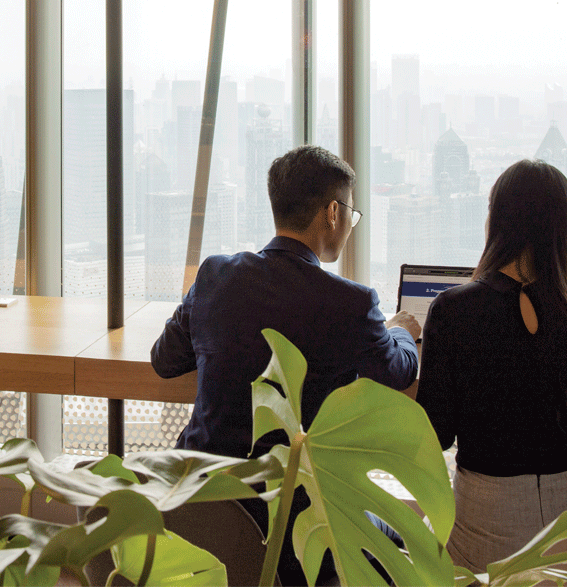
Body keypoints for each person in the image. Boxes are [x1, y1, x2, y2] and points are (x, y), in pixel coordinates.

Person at [152, 144, 421, 584]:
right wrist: (403, 332)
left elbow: (165, 361)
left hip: (206, 507)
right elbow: (396, 370)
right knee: (396, 543)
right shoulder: (351, 303)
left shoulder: (215, 276)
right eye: (350, 214)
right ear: (332, 213)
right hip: (301, 522)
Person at [415, 159, 567, 574]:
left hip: (487, 527)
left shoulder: (452, 310)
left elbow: (436, 433)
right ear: (565, 232)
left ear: (496, 222)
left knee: (417, 545)